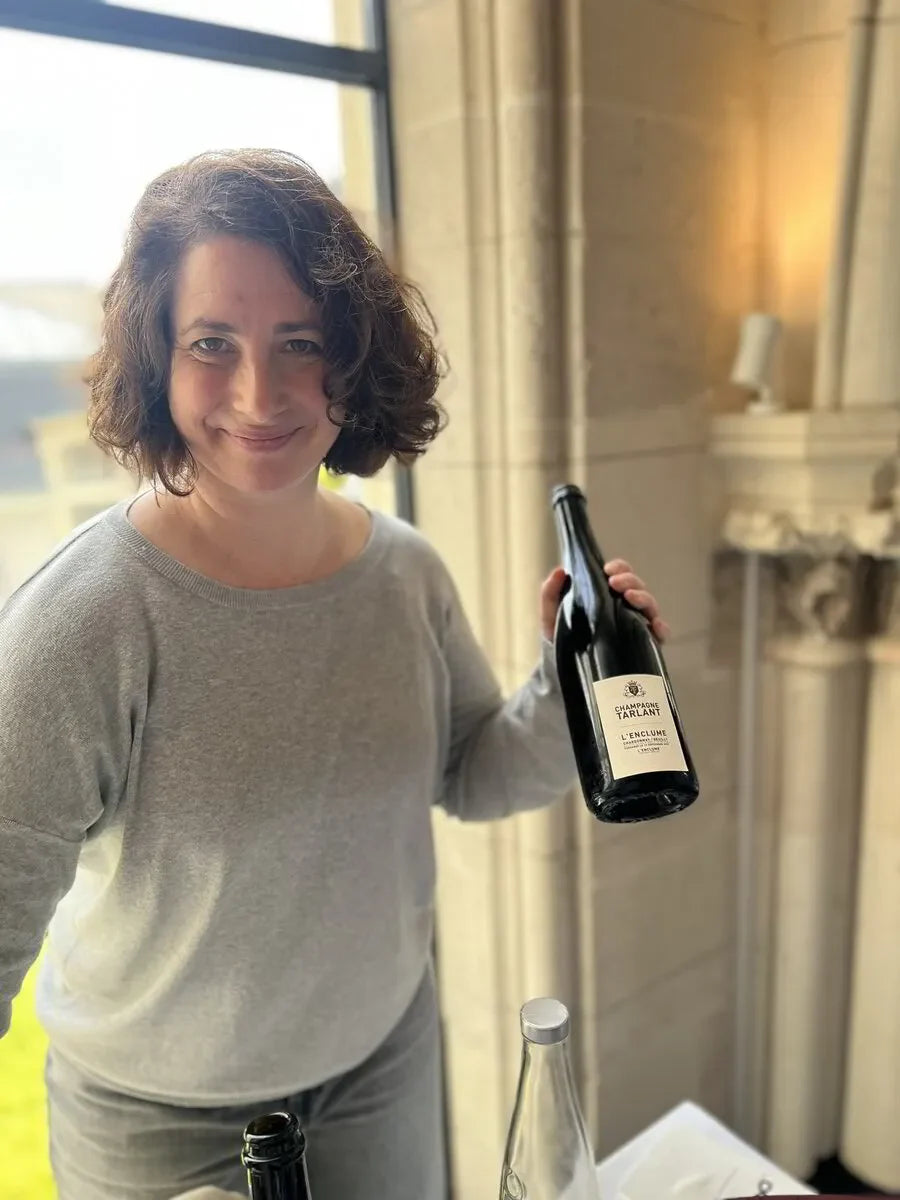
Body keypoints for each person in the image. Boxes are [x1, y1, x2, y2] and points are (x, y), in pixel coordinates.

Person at [0, 149, 668, 1200]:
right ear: (155, 361)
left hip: (380, 1074)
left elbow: (478, 776)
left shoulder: (403, 573)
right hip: (154, 1128)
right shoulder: (84, 620)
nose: (259, 392)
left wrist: (572, 677)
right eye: (210, 343)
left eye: (300, 342)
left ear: (354, 362)